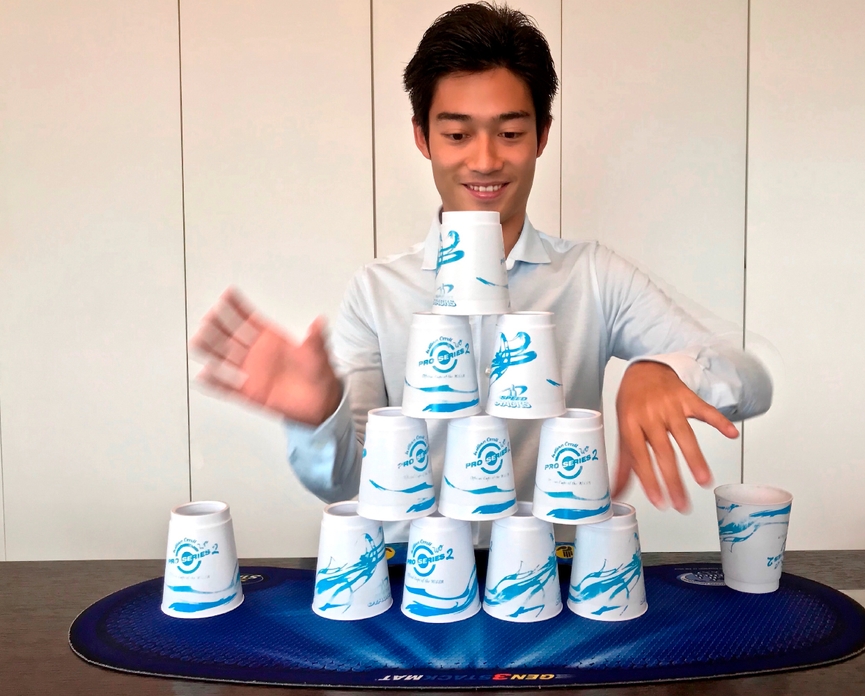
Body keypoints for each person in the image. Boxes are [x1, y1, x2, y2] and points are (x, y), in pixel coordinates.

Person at [189, 2, 772, 544]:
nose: (486, 160)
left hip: (555, 581)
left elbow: (751, 379)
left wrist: (664, 370)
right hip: (415, 582)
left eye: (511, 133)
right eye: (457, 134)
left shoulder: (592, 277)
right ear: (423, 138)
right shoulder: (378, 292)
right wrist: (319, 416)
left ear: (542, 136)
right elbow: (349, 482)